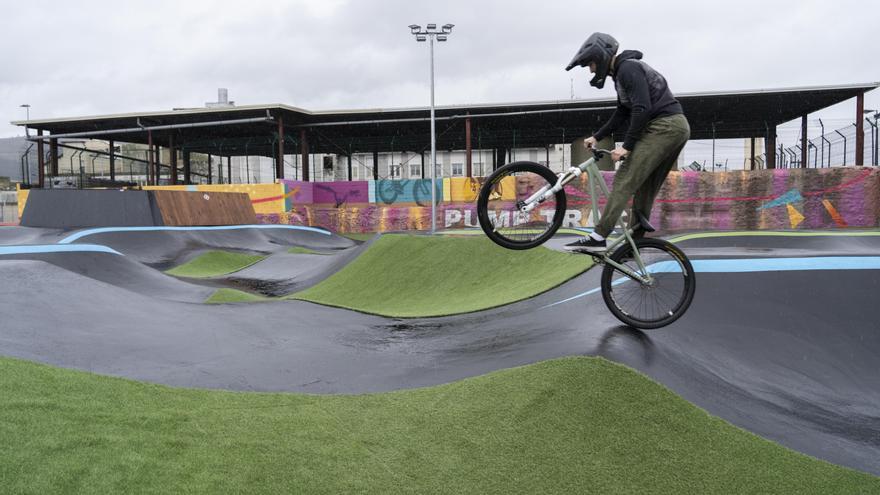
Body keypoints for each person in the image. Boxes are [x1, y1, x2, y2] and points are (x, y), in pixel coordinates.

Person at [562, 32, 690, 253]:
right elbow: (623, 112)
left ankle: (599, 236)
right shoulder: (622, 73)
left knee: (625, 178)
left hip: (664, 127)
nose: (591, 70)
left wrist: (627, 147)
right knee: (644, 188)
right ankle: (635, 246)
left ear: (601, 57)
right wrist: (598, 136)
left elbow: (642, 108)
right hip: (675, 127)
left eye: (591, 64)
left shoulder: (628, 69)